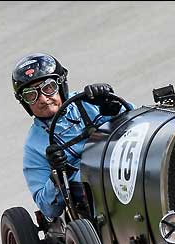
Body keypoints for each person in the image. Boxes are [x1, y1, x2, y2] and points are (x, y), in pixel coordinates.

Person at [12, 53, 131, 220]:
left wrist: (112, 106)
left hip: (126, 165)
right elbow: (47, 209)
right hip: (91, 202)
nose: (43, 99)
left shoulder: (91, 101)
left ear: (61, 85)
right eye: (31, 95)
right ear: (25, 102)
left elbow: (138, 124)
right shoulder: (34, 146)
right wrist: (57, 175)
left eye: (48, 87)